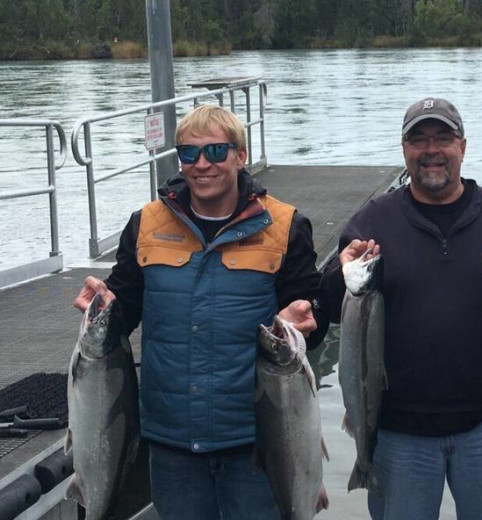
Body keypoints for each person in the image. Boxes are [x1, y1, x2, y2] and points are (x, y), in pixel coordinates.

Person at [73, 105, 329, 520]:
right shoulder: (146, 224)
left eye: (215, 151)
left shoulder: (285, 226)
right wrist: (101, 304)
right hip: (172, 441)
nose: (201, 165)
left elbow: (310, 324)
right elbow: (125, 308)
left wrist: (304, 320)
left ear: (240, 155)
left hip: (258, 442)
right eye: (188, 154)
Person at [320, 98, 482, 520]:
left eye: (443, 137)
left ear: (463, 145)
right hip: (396, 432)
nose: (431, 149)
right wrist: (340, 271)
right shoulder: (375, 219)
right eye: (418, 139)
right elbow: (332, 302)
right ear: (404, 150)